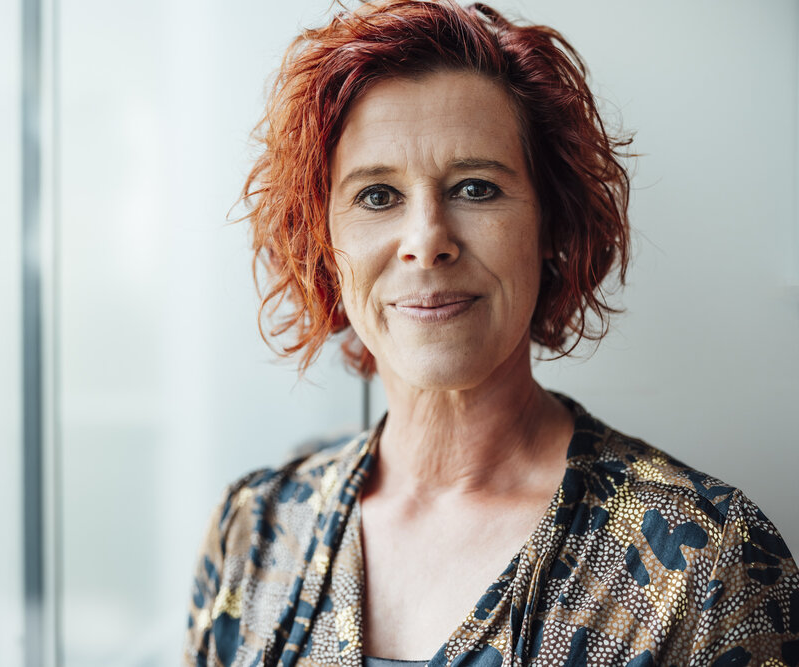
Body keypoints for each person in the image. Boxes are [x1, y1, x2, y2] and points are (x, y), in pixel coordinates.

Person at [184, 1, 799, 665]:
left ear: (551, 227)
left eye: (475, 188)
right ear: (325, 245)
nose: (426, 242)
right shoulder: (255, 529)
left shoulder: (707, 561)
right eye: (377, 195)